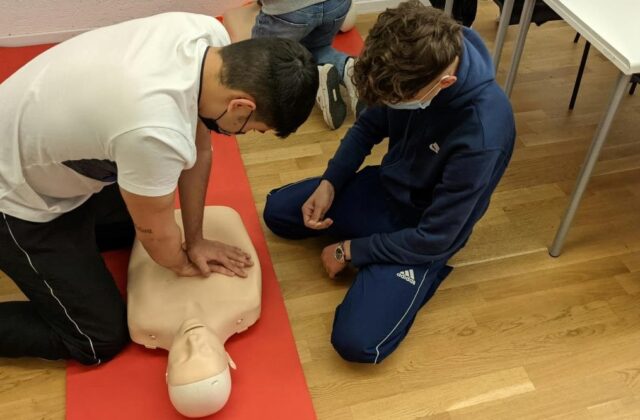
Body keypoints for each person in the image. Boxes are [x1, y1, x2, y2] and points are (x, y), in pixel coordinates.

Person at [0, 12, 317, 365]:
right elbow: (156, 236)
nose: (246, 135)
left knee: (139, 218)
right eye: (254, 129)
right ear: (241, 105)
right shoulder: (153, 130)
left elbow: (198, 150)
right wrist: (181, 264)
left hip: (43, 145)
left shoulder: (207, 39)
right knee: (97, 339)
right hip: (15, 199)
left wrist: (195, 238)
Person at [263, 1, 516, 363]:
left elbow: (437, 237)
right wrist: (330, 182)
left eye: (398, 101)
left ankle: (409, 276)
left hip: (421, 233)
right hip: (383, 188)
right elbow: (368, 126)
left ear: (444, 83)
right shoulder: (406, 61)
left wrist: (350, 251)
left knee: (357, 343)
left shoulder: (483, 132)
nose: (389, 104)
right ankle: (370, 252)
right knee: (278, 213)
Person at [127, 206, 261, 417]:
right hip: (164, 218)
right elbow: (233, 232)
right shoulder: (244, 301)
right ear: (228, 359)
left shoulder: (143, 322)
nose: (194, 341)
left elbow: (139, 266)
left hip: (148, 221)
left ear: (167, 372)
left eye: (183, 357)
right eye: (206, 352)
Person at [252, 0, 362, 130]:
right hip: (337, 6)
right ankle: (347, 69)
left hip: (290, 12)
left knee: (259, 60)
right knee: (316, 47)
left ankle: (313, 82)